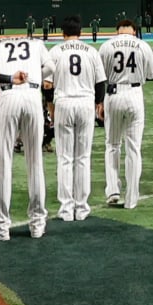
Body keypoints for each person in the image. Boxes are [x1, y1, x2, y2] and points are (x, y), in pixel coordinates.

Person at [0, 29, 50, 240]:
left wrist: (8, 76)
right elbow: (51, 67)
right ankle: (37, 223)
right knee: (35, 161)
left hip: (8, 94)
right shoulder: (35, 43)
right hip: (33, 95)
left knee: (3, 161)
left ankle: (0, 225)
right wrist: (34, 76)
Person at [43, 16, 106, 222]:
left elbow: (47, 86)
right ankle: (82, 207)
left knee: (65, 158)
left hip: (64, 103)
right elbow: (101, 83)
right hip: (86, 103)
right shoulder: (91, 52)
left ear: (63, 33)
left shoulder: (55, 51)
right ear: (81, 32)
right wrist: (99, 103)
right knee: (83, 157)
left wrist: (51, 109)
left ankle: (66, 209)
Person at [98, 18, 153, 208]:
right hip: (134, 94)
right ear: (133, 31)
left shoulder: (106, 46)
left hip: (113, 94)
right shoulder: (143, 45)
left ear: (117, 31)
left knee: (113, 145)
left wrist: (99, 102)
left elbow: (100, 78)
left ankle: (113, 189)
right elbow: (152, 75)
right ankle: (131, 199)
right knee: (133, 148)